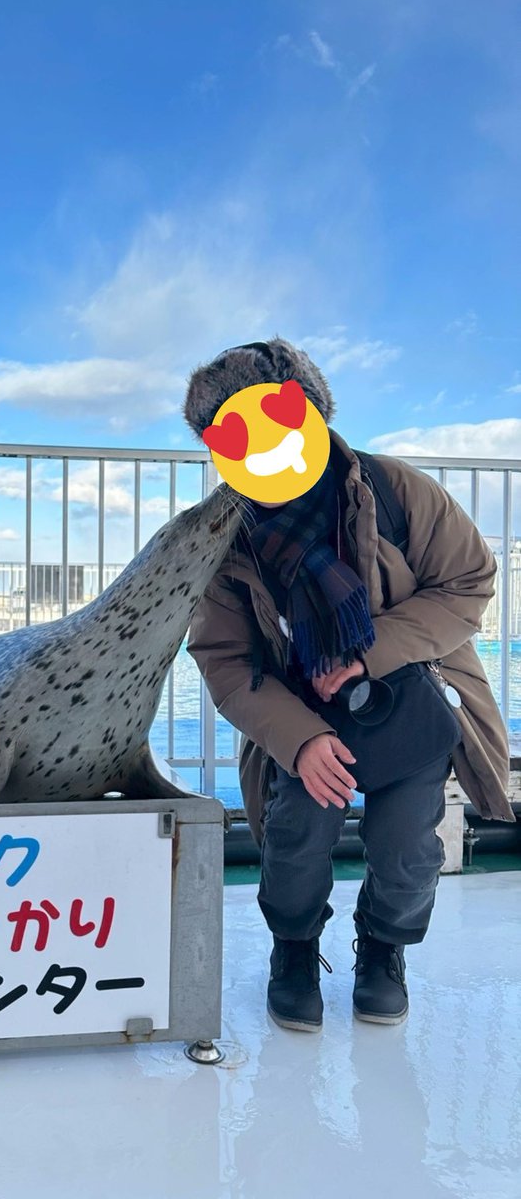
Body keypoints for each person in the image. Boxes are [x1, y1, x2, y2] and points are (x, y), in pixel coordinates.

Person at [184, 338, 513, 1031]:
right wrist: (298, 740)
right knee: (296, 837)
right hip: (301, 711)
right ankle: (294, 949)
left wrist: (374, 652)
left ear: (312, 411)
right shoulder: (225, 539)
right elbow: (224, 659)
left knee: (408, 846)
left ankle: (383, 951)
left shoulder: (395, 491)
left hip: (407, 694)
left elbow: (468, 582)